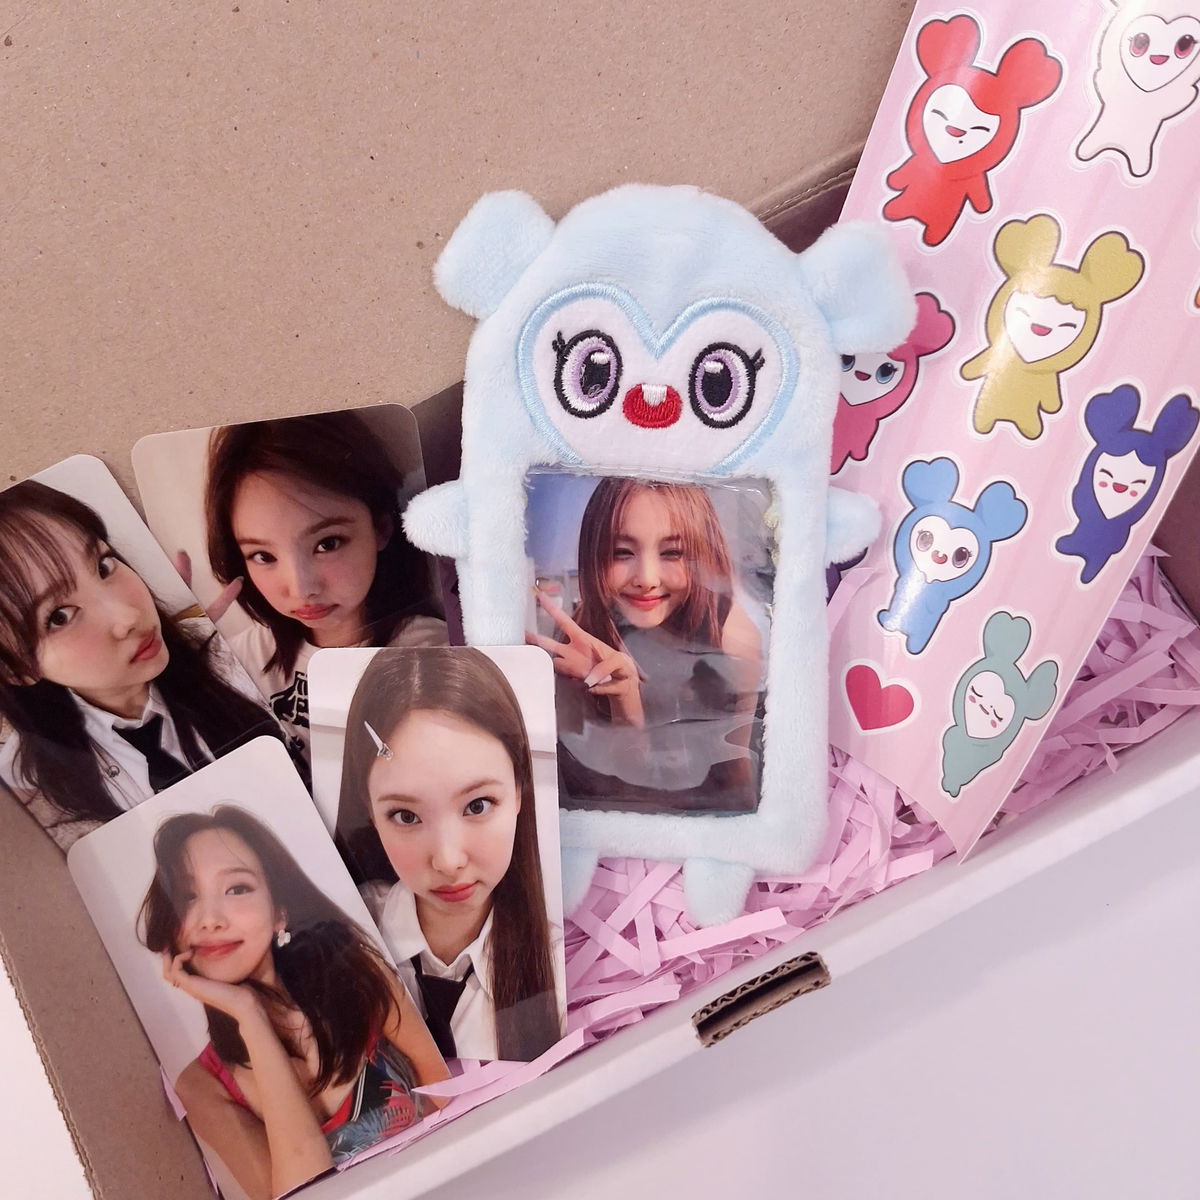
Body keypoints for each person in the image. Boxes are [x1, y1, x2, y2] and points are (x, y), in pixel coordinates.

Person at [140, 806, 449, 1200]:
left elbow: (446, 1092)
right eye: (187, 896)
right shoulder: (202, 1085)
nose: (210, 919)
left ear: (278, 914)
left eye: (236, 889)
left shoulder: (356, 975)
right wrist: (250, 1016)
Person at [0, 481, 281, 851]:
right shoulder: (28, 787)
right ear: (16, 670)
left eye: (103, 566)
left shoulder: (233, 659)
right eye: (59, 616)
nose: (128, 618)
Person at [335, 647, 562, 1064]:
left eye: (477, 805)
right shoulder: (340, 939)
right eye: (405, 816)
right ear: (369, 811)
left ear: (519, 790)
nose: (448, 860)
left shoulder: (562, 962)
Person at [204, 411, 447, 763]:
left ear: (380, 528)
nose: (301, 589)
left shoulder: (431, 657)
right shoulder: (241, 658)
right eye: (263, 556)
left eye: (327, 544)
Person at [527, 476, 766, 814]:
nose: (647, 579)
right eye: (622, 553)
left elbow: (737, 777)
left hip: (708, 820)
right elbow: (601, 786)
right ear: (594, 555)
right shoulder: (582, 636)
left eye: (673, 553)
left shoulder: (730, 632)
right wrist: (623, 697)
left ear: (701, 551)